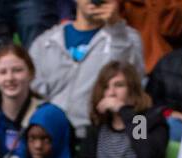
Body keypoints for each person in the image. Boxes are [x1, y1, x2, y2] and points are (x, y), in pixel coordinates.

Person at [29, 0, 144, 140]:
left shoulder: (127, 38)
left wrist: (116, 29)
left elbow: (132, 83)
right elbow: (33, 92)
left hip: (98, 135)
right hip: (50, 137)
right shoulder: (45, 42)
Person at [86, 60, 167, 158]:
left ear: (133, 90)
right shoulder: (99, 126)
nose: (111, 93)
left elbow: (146, 154)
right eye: (106, 87)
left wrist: (124, 111)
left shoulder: (142, 119)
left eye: (119, 85)